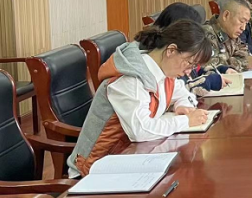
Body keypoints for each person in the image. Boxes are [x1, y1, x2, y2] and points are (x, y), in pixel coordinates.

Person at [66, 19, 213, 177]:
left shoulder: (163, 70)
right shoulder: (132, 78)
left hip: (132, 156)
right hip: (95, 169)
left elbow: (184, 94)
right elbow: (140, 131)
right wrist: (185, 121)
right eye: (189, 64)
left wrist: (182, 105)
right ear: (171, 50)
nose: (189, 72)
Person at [151, 2, 231, 98]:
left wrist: (220, 70)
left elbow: (195, 70)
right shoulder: (160, 59)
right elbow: (174, 92)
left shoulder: (179, 55)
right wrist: (207, 82)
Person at [202, 0, 252, 73]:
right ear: (226, 15)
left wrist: (239, 60)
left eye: (246, 23)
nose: (243, 28)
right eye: (241, 21)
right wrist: (243, 63)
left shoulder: (231, 32)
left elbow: (244, 52)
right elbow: (210, 66)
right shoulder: (206, 34)